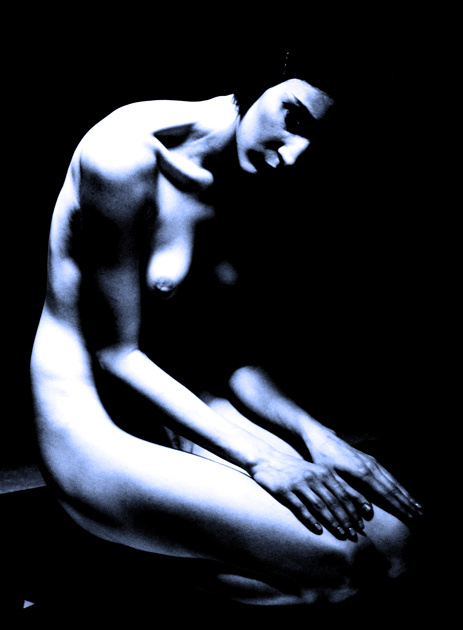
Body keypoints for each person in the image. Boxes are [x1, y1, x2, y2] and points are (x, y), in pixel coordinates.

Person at [30, 42, 423, 612]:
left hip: (188, 406)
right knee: (337, 568)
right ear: (265, 77)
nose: (293, 154)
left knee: (397, 545)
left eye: (317, 140)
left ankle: (146, 561)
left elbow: (231, 355)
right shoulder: (124, 154)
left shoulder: (252, 176)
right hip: (92, 413)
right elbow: (117, 354)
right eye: (294, 117)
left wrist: (319, 436)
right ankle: (115, 581)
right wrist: (261, 459)